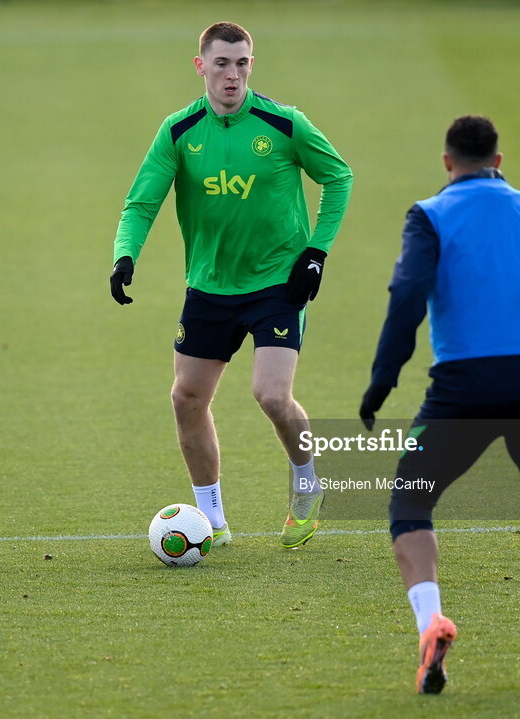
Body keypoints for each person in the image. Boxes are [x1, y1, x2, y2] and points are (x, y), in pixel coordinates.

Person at [359, 116, 520, 693]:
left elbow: (407, 295)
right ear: (499, 158)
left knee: (408, 501)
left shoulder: (430, 215)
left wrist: (382, 381)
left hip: (461, 387)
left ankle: (430, 623)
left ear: (447, 162)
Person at [111, 22, 353, 548]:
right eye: (222, 63)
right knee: (186, 398)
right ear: (201, 66)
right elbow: (141, 203)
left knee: (270, 394)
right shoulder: (178, 131)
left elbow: (339, 176)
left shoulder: (284, 124)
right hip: (210, 286)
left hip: (277, 284)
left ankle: (307, 484)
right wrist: (125, 257)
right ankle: (210, 521)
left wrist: (316, 252)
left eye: (242, 63)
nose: (233, 74)